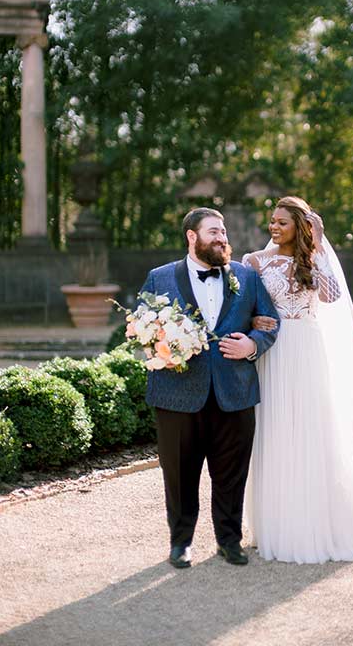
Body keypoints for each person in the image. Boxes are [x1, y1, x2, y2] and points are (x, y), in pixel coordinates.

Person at [243, 196, 353, 564]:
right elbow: (245, 307)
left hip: (307, 349)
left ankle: (315, 523)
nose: (274, 227)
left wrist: (318, 246)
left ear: (300, 228)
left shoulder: (311, 259)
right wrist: (254, 321)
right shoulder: (254, 261)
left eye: (282, 222)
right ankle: (275, 523)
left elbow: (333, 296)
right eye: (272, 221)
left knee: (310, 430)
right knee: (273, 430)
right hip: (272, 349)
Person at [139, 207, 280, 569]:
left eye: (224, 232)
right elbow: (140, 327)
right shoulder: (160, 278)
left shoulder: (246, 278)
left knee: (232, 473)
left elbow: (269, 322)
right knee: (180, 473)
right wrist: (163, 347)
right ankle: (181, 543)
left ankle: (229, 540)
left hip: (235, 391)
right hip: (177, 394)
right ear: (192, 236)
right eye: (213, 232)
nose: (222, 238)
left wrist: (253, 346)